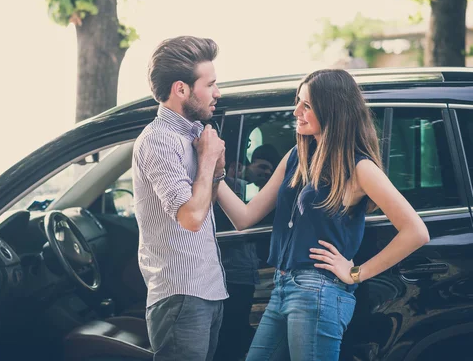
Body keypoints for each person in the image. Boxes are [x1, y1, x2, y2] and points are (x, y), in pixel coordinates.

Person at [216, 69, 430, 360]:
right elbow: (244, 217)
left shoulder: (359, 167)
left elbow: (416, 232)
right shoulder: (296, 156)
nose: (296, 112)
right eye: (297, 102)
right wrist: (211, 172)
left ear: (332, 111)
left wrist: (356, 273)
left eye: (306, 105)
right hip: (282, 288)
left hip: (318, 292)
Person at [132, 36, 228, 361]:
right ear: (181, 89)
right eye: (210, 84)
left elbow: (202, 207)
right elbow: (190, 218)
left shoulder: (192, 135)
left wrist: (215, 171)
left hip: (206, 289)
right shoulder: (159, 140)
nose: (217, 93)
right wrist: (207, 160)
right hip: (181, 293)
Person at [214, 144, 281, 361]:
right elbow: (241, 218)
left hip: (245, 273)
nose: (265, 173)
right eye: (261, 167)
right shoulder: (237, 186)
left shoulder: (264, 192)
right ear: (243, 166)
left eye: (271, 171)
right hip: (231, 273)